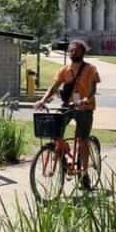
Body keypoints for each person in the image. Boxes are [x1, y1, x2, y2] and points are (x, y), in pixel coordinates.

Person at [33, 39, 100, 189]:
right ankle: (63, 149)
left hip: (84, 108)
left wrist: (86, 99)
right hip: (68, 106)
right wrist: (42, 100)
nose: (74, 52)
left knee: (83, 139)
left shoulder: (91, 69)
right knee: (55, 130)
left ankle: (84, 174)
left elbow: (93, 88)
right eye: (71, 49)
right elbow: (53, 87)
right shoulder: (64, 70)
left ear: (83, 52)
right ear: (68, 52)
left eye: (77, 50)